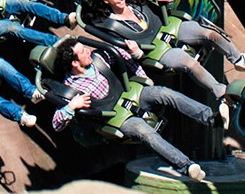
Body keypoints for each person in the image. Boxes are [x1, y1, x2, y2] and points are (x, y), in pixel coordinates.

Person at [49, 37, 211, 182]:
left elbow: (121, 54)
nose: (88, 52)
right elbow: (56, 124)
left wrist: (141, 74)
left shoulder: (98, 58)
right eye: (83, 52)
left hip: (128, 95)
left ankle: (209, 117)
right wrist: (71, 106)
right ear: (75, 63)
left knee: (164, 93)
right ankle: (186, 166)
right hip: (115, 117)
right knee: (145, 131)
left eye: (85, 48)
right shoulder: (71, 88)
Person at [85, 0, 245, 107]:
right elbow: (122, 51)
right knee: (189, 63)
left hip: (167, 27)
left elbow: (162, 10)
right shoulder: (109, 24)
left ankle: (239, 60)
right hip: (154, 48)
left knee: (209, 33)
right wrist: (137, 53)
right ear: (106, 0)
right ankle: (220, 92)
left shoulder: (135, 1)